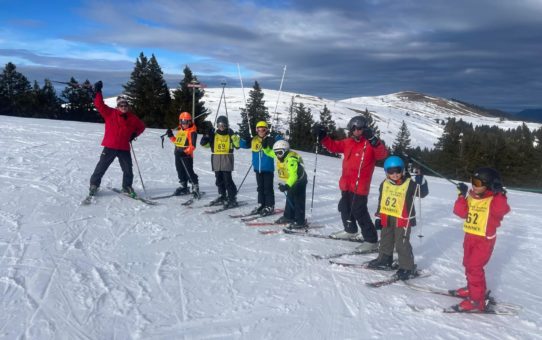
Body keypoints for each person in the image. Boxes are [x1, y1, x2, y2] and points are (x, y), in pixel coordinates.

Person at [313, 116, 388, 252]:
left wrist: (373, 140)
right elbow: (334, 146)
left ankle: (371, 240)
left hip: (360, 186)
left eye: (360, 128)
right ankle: (350, 230)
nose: (357, 131)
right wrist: (323, 137)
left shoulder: (370, 144)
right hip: (346, 184)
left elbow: (382, 155)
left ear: (365, 129)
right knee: (344, 207)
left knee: (359, 211)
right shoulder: (348, 142)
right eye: (354, 128)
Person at [449, 167, 510, 312]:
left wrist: (500, 194)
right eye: (472, 181)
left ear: (488, 185)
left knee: (475, 268)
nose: (474, 186)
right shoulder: (472, 196)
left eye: (477, 183)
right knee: (468, 265)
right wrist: (461, 196)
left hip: (483, 240)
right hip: (469, 237)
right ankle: (472, 289)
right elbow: (460, 212)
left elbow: (502, 210)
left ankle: (477, 301)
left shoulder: (494, 200)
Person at [367, 156, 429, 280]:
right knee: (385, 239)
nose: (395, 174)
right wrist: (379, 216)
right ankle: (385, 259)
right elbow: (382, 199)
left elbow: (422, 193)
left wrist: (421, 181)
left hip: (403, 219)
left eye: (398, 170)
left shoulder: (409, 183)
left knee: (402, 243)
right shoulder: (384, 183)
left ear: (403, 170)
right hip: (387, 217)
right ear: (386, 172)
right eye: (391, 171)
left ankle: (407, 267)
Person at [88, 81, 145, 198]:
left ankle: (127, 186)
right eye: (121, 105)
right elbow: (99, 104)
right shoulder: (110, 113)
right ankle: (94, 185)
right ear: (117, 106)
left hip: (124, 147)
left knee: (128, 169)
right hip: (110, 146)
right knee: (101, 167)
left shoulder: (132, 118)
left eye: (125, 105)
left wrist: (134, 134)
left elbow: (141, 127)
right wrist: (98, 91)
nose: (124, 107)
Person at [263, 140, 308, 229]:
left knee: (298, 201)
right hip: (291, 181)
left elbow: (294, 175)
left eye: (280, 153)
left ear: (286, 150)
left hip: (299, 181)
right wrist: (265, 147)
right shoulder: (281, 156)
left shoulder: (291, 159)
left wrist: (287, 186)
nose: (277, 155)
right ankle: (288, 217)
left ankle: (300, 222)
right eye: (276, 153)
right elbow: (270, 153)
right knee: (290, 198)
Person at [200, 115, 240, 208]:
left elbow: (237, 145)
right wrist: (206, 136)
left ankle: (232, 198)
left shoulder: (229, 135)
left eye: (223, 125)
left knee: (227, 180)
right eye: (219, 125)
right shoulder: (214, 135)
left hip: (227, 158)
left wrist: (233, 135)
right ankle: (222, 195)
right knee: (219, 179)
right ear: (217, 125)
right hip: (216, 159)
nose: (221, 127)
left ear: (227, 125)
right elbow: (204, 145)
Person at [239, 121, 277, 216]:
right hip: (257, 168)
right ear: (256, 130)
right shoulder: (254, 139)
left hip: (268, 168)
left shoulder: (270, 139)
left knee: (268, 188)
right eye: (259, 129)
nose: (261, 131)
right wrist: (244, 138)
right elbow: (242, 145)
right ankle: (262, 204)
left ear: (267, 130)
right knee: (260, 188)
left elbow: (280, 144)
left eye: (263, 129)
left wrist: (275, 138)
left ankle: (270, 206)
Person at [166, 112, 200, 197]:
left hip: (186, 156)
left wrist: (185, 152)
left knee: (189, 171)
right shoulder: (181, 131)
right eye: (182, 122)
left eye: (187, 122)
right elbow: (177, 142)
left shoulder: (192, 131)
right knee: (180, 171)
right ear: (180, 122)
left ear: (190, 122)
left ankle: (195, 186)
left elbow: (193, 146)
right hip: (177, 153)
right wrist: (171, 136)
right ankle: (183, 186)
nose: (184, 124)